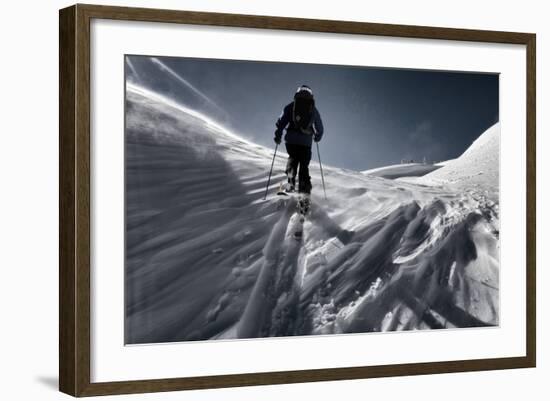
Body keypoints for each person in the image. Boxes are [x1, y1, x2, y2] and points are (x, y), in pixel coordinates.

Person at [274, 85, 324, 194]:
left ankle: (290, 182)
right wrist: (317, 136)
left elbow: (281, 122)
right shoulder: (313, 109)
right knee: (304, 166)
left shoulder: (291, 106)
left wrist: (278, 135)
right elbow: (320, 127)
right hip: (306, 143)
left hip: (291, 141)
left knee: (293, 158)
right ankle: (304, 190)